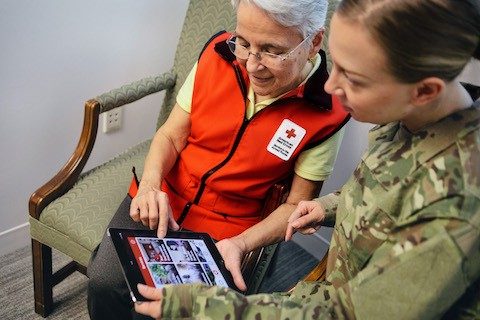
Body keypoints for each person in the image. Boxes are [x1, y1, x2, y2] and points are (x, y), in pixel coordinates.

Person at [133, 0, 480, 318]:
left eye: (354, 79)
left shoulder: (458, 203)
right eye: (338, 66)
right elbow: (391, 194)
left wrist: (202, 307)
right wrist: (329, 206)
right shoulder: (409, 120)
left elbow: (349, 314)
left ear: (425, 91)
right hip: (322, 288)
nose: (330, 88)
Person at [87, 0, 349, 319]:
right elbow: (171, 135)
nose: (252, 64)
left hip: (229, 226)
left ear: (314, 43)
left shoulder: (327, 112)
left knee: (164, 311)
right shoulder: (217, 53)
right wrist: (150, 186)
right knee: (104, 283)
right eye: (244, 42)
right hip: (163, 195)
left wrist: (241, 243)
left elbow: (296, 206)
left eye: (271, 50)